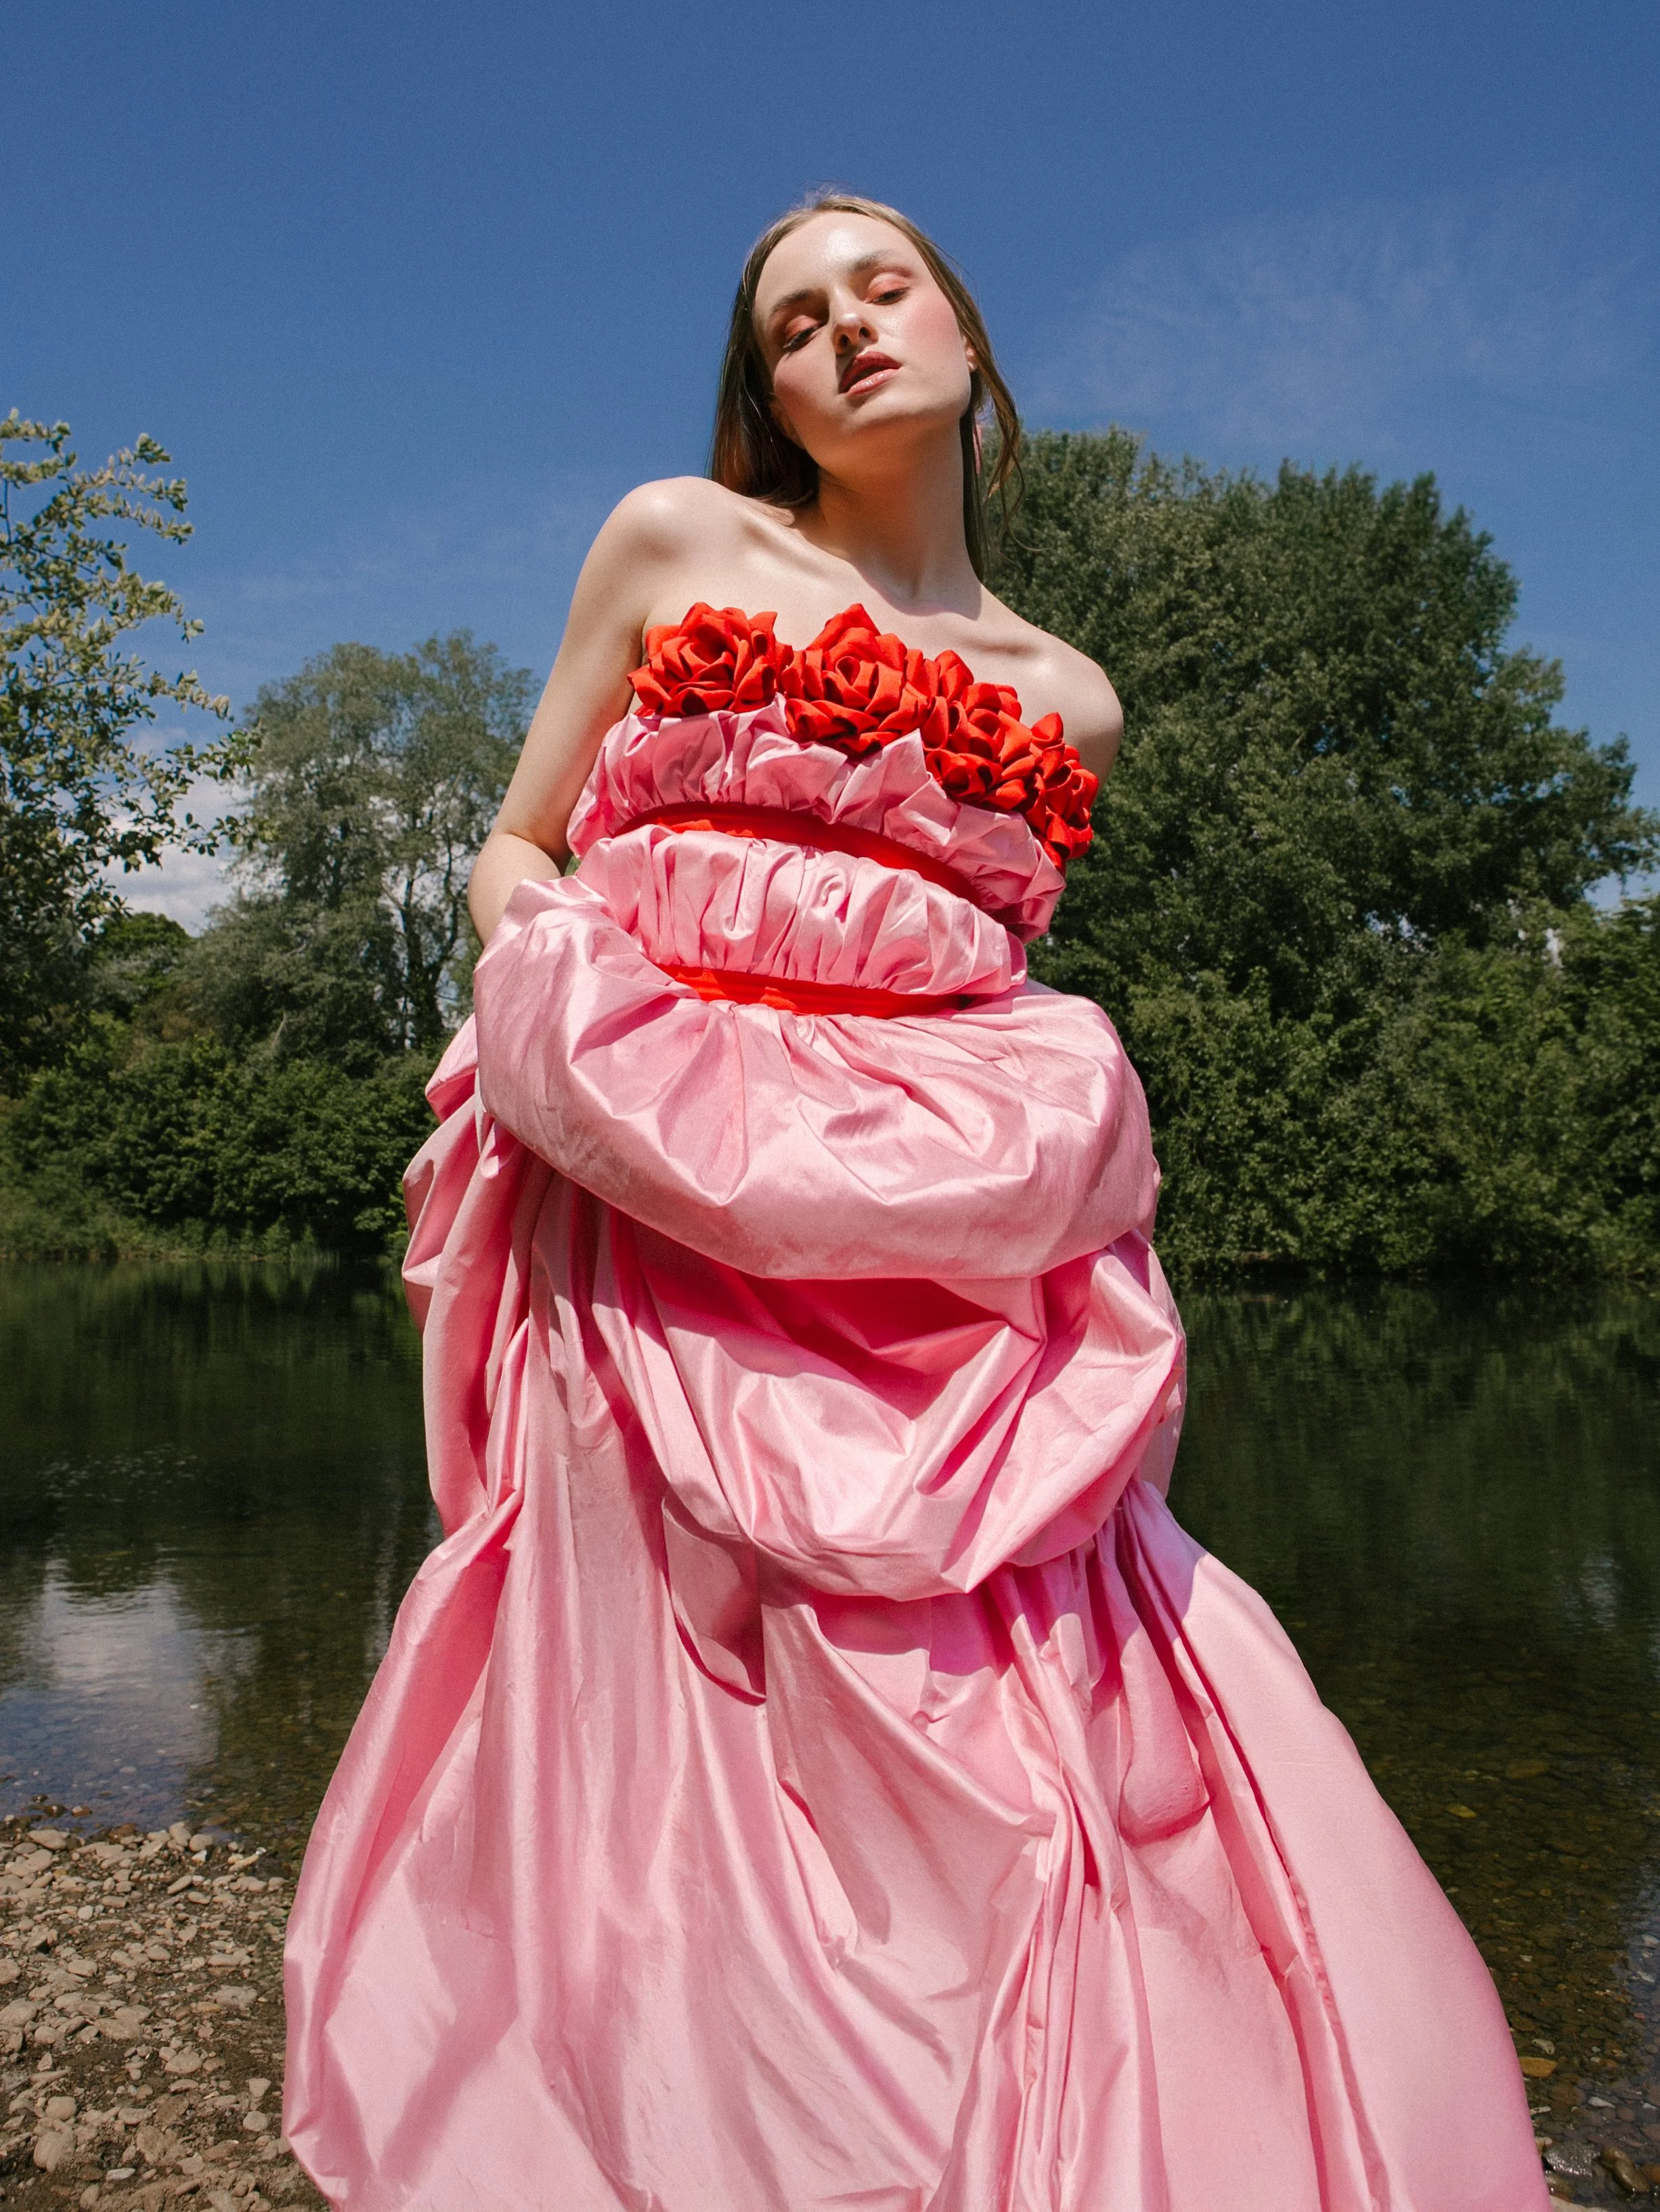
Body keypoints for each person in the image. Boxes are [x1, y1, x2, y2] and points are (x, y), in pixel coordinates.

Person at [284, 195, 1547, 2211]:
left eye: (882, 287)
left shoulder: (1075, 697)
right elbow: (513, 850)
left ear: (962, 323)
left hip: (938, 1235)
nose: (848, 330)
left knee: (997, 1728)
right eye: (797, 319)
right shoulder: (673, 542)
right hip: (657, 1200)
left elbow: (975, 976)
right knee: (665, 1719)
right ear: (765, 390)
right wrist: (574, 1001)